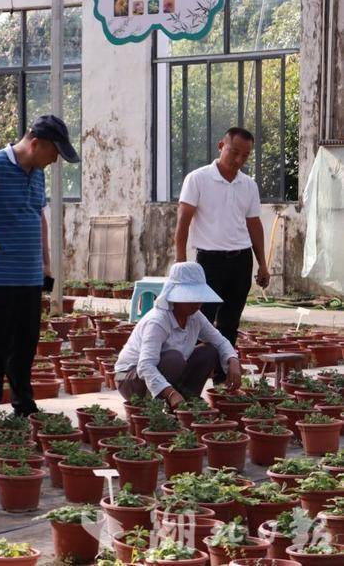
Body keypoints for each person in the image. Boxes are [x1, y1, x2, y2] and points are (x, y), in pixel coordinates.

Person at [0, 114, 80, 426]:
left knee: (25, 345)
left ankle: (24, 405)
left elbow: (39, 216)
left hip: (30, 275)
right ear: (36, 144)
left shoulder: (36, 173)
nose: (55, 160)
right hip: (0, 274)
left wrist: (45, 263)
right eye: (54, 153)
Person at [175, 127, 270, 346]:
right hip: (209, 262)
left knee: (230, 321)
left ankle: (224, 366)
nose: (238, 160)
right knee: (201, 319)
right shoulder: (197, 179)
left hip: (241, 261)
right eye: (234, 152)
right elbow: (183, 222)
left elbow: (254, 225)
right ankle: (197, 365)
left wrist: (262, 264)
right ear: (221, 146)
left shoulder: (249, 185)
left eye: (245, 155)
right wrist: (180, 263)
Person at [114, 262, 242, 410]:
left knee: (210, 351)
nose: (197, 303)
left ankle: (187, 399)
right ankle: (156, 403)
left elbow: (220, 341)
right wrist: (170, 393)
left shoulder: (195, 317)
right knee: (174, 359)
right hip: (128, 378)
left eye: (199, 296)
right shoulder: (158, 321)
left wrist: (233, 360)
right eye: (191, 297)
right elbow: (145, 366)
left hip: (162, 371)